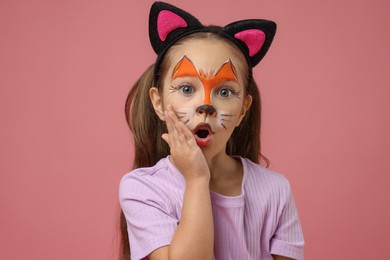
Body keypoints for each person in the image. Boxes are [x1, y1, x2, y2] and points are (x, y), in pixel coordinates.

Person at [119, 2, 304, 260]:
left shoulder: (275, 190)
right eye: (186, 89)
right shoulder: (142, 189)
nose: (206, 105)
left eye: (225, 92)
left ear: (243, 109)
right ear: (159, 103)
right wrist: (196, 180)